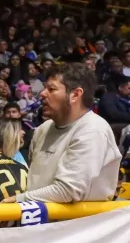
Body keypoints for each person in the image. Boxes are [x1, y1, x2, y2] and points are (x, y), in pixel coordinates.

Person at [6, 63, 121, 203]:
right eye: (44, 88)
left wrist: (18, 201)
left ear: (75, 95)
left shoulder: (93, 130)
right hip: (39, 214)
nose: (42, 93)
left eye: (51, 89)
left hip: (83, 218)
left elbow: (68, 191)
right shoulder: (43, 129)